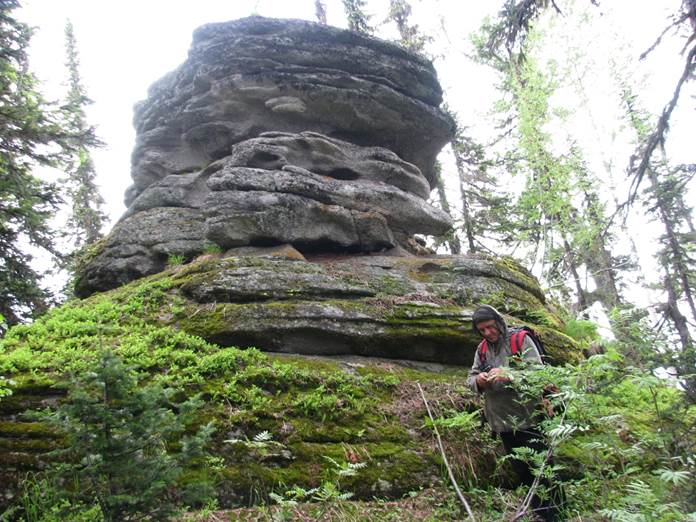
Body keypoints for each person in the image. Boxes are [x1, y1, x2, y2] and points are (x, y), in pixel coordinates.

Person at [468, 304, 561, 521]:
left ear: (499, 323)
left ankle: (556, 513)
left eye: (490, 327)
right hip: (503, 424)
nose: (488, 333)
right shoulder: (482, 349)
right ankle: (539, 514)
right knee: (523, 471)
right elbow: (471, 377)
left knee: (543, 470)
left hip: (530, 420)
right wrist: (479, 381)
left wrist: (508, 374)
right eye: (482, 330)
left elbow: (538, 373)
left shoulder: (520, 340)